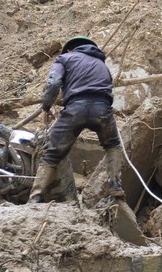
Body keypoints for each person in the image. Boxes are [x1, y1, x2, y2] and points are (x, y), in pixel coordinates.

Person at [28, 36, 124, 205]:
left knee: (52, 154)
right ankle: (115, 186)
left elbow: (54, 82)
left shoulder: (64, 58)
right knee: (113, 145)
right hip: (102, 110)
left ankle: (35, 198)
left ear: (71, 50)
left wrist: (46, 107)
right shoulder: (102, 65)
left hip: (75, 109)